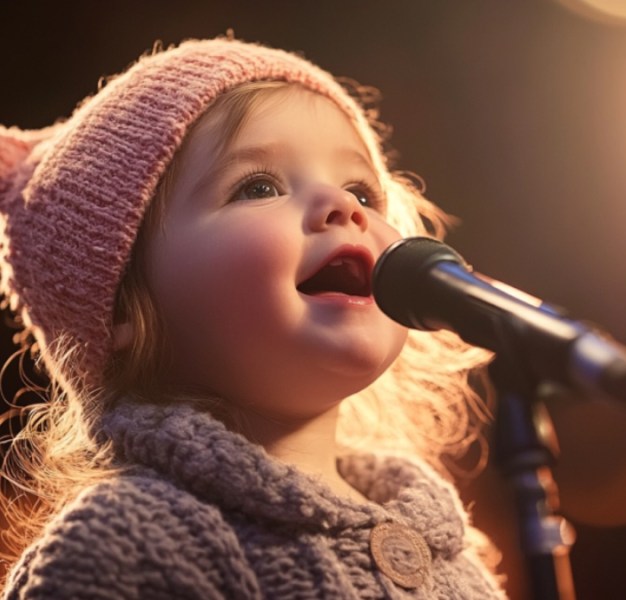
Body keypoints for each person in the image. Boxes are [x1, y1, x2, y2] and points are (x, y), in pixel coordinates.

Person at [0, 37, 504, 598]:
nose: (345, 208)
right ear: (124, 304)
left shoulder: (453, 557)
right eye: (258, 186)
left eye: (360, 189)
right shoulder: (124, 544)